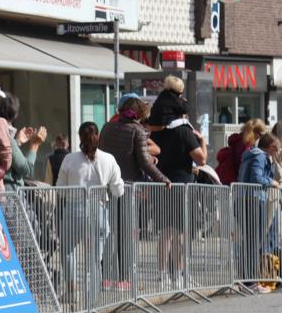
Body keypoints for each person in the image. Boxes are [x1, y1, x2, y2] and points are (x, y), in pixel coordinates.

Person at [98, 97, 171, 290]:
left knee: (109, 233)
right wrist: (163, 178)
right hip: (128, 188)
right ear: (139, 114)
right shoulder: (137, 131)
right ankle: (123, 279)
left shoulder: (107, 128)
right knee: (126, 235)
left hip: (106, 187)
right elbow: (144, 162)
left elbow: (100, 155)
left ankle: (105, 277)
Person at [56, 122, 124, 306]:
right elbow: (118, 190)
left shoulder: (69, 159)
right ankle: (92, 298)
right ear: (98, 136)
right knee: (95, 257)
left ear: (79, 137)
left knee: (67, 251)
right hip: (99, 209)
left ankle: (72, 291)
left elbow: (60, 189)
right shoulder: (109, 159)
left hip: (74, 209)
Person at [150, 90, 208, 288]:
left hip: (161, 183)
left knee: (166, 232)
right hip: (182, 185)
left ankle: (163, 275)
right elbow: (201, 159)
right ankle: (179, 274)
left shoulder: (157, 131)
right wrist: (202, 141)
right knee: (180, 234)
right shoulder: (184, 131)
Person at [236, 132, 280, 290]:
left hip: (246, 198)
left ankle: (247, 280)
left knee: (250, 241)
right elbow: (256, 178)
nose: (277, 152)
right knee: (254, 242)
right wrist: (272, 181)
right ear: (270, 147)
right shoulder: (260, 156)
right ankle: (250, 282)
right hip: (253, 199)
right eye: (276, 149)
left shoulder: (251, 154)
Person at [0, 92, 47, 187]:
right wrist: (35, 145)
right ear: (15, 115)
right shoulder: (5, 135)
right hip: (9, 191)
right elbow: (26, 169)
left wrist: (17, 141)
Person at [216, 118, 267, 185]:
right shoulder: (244, 145)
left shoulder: (239, 141)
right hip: (233, 182)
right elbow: (241, 166)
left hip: (228, 179)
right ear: (254, 132)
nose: (261, 138)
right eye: (261, 135)